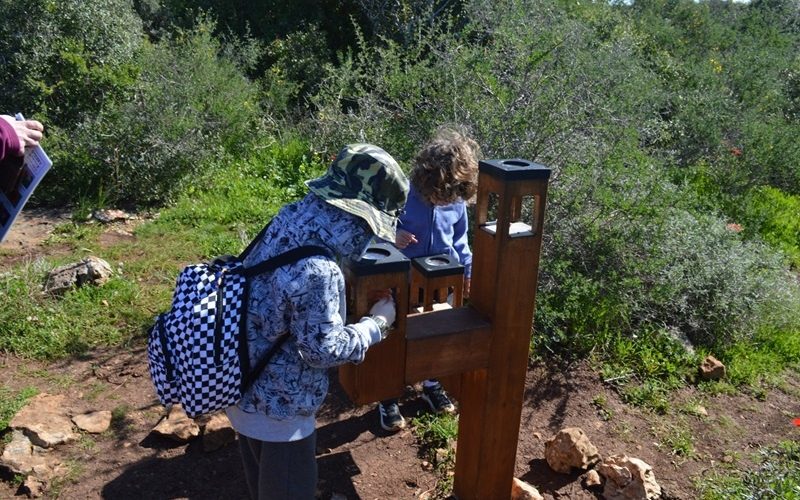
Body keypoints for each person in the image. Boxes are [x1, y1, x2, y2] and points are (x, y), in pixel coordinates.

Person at [226, 143, 409, 500]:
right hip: (281, 411)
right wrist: (377, 324)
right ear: (361, 216)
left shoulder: (291, 217)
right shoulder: (321, 270)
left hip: (244, 383)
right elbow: (321, 349)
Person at [377, 128, 480, 432]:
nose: (443, 199)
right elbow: (373, 226)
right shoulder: (402, 194)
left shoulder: (456, 202)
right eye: (439, 191)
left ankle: (431, 384)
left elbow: (460, 241)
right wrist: (391, 235)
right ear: (427, 176)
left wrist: (468, 272)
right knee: (395, 335)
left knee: (438, 334)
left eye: (450, 193)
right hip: (403, 280)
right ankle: (388, 393)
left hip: (443, 281)